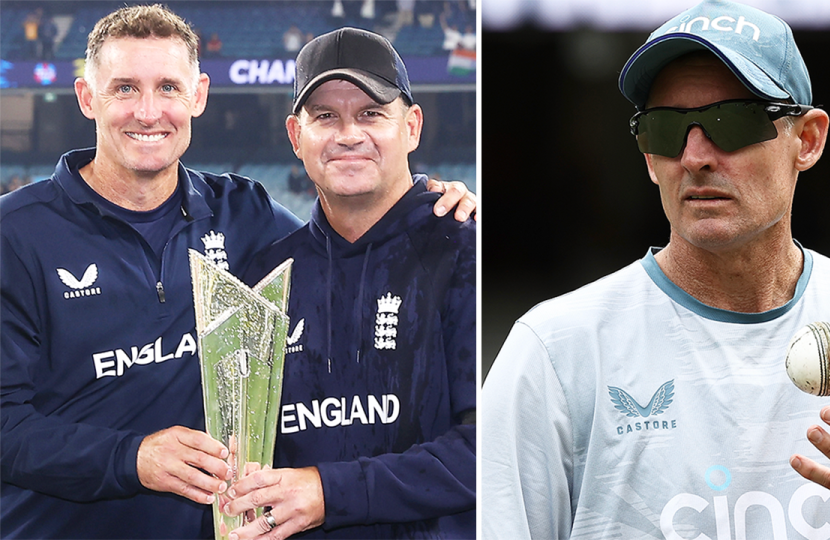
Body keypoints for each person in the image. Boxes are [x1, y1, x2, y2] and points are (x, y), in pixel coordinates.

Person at [481, 1, 830, 540]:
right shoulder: (553, 352)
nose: (695, 155)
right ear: (646, 156)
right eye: (665, 129)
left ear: (807, 139)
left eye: (731, 121)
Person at [0, 6, 475, 539]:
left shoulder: (244, 218)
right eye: (125, 88)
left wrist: (430, 209)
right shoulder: (14, 234)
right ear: (88, 97)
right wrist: (133, 457)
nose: (149, 111)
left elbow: (348, 242)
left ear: (198, 95)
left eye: (169, 88)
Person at [221, 27, 475, 539]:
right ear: (296, 136)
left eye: (371, 113)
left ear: (412, 127)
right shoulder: (262, 281)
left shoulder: (465, 252)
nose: (348, 134)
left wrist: (326, 492)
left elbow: (495, 447)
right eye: (325, 117)